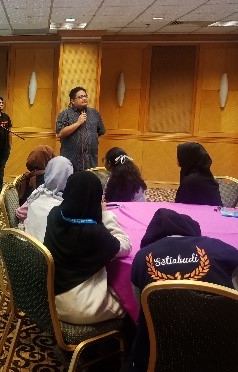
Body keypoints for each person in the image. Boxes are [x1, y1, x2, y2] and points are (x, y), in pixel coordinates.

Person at [130, 208, 238, 371]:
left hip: (159, 356)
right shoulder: (223, 248)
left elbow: (142, 306)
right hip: (224, 352)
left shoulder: (141, 256)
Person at [44, 171, 131, 324]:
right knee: (130, 303)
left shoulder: (54, 215)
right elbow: (125, 246)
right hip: (81, 308)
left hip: (52, 300)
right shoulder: (95, 233)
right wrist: (105, 215)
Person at [18, 156, 73, 242]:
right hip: (50, 249)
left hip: (28, 245)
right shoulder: (68, 206)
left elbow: (20, 213)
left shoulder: (37, 194)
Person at [56, 87, 106, 172]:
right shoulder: (65, 114)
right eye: (80, 97)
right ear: (72, 101)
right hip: (71, 162)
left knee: (90, 179)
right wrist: (78, 123)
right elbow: (60, 133)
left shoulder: (94, 113)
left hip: (90, 162)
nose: (84, 98)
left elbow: (101, 131)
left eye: (85, 96)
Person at [175, 142, 222, 206]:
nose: (177, 159)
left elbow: (180, 205)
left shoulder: (191, 181)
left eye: (180, 155)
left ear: (188, 157)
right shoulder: (204, 174)